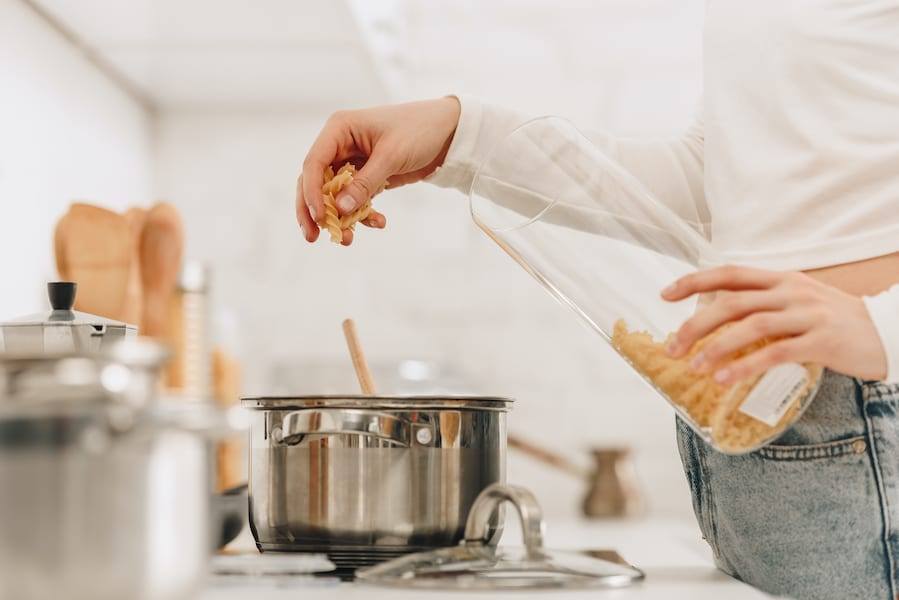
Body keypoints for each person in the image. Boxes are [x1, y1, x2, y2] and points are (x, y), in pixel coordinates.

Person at [294, 5, 899, 599]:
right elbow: (714, 184)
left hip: (864, 414)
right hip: (746, 422)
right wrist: (460, 136)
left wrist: (883, 329)